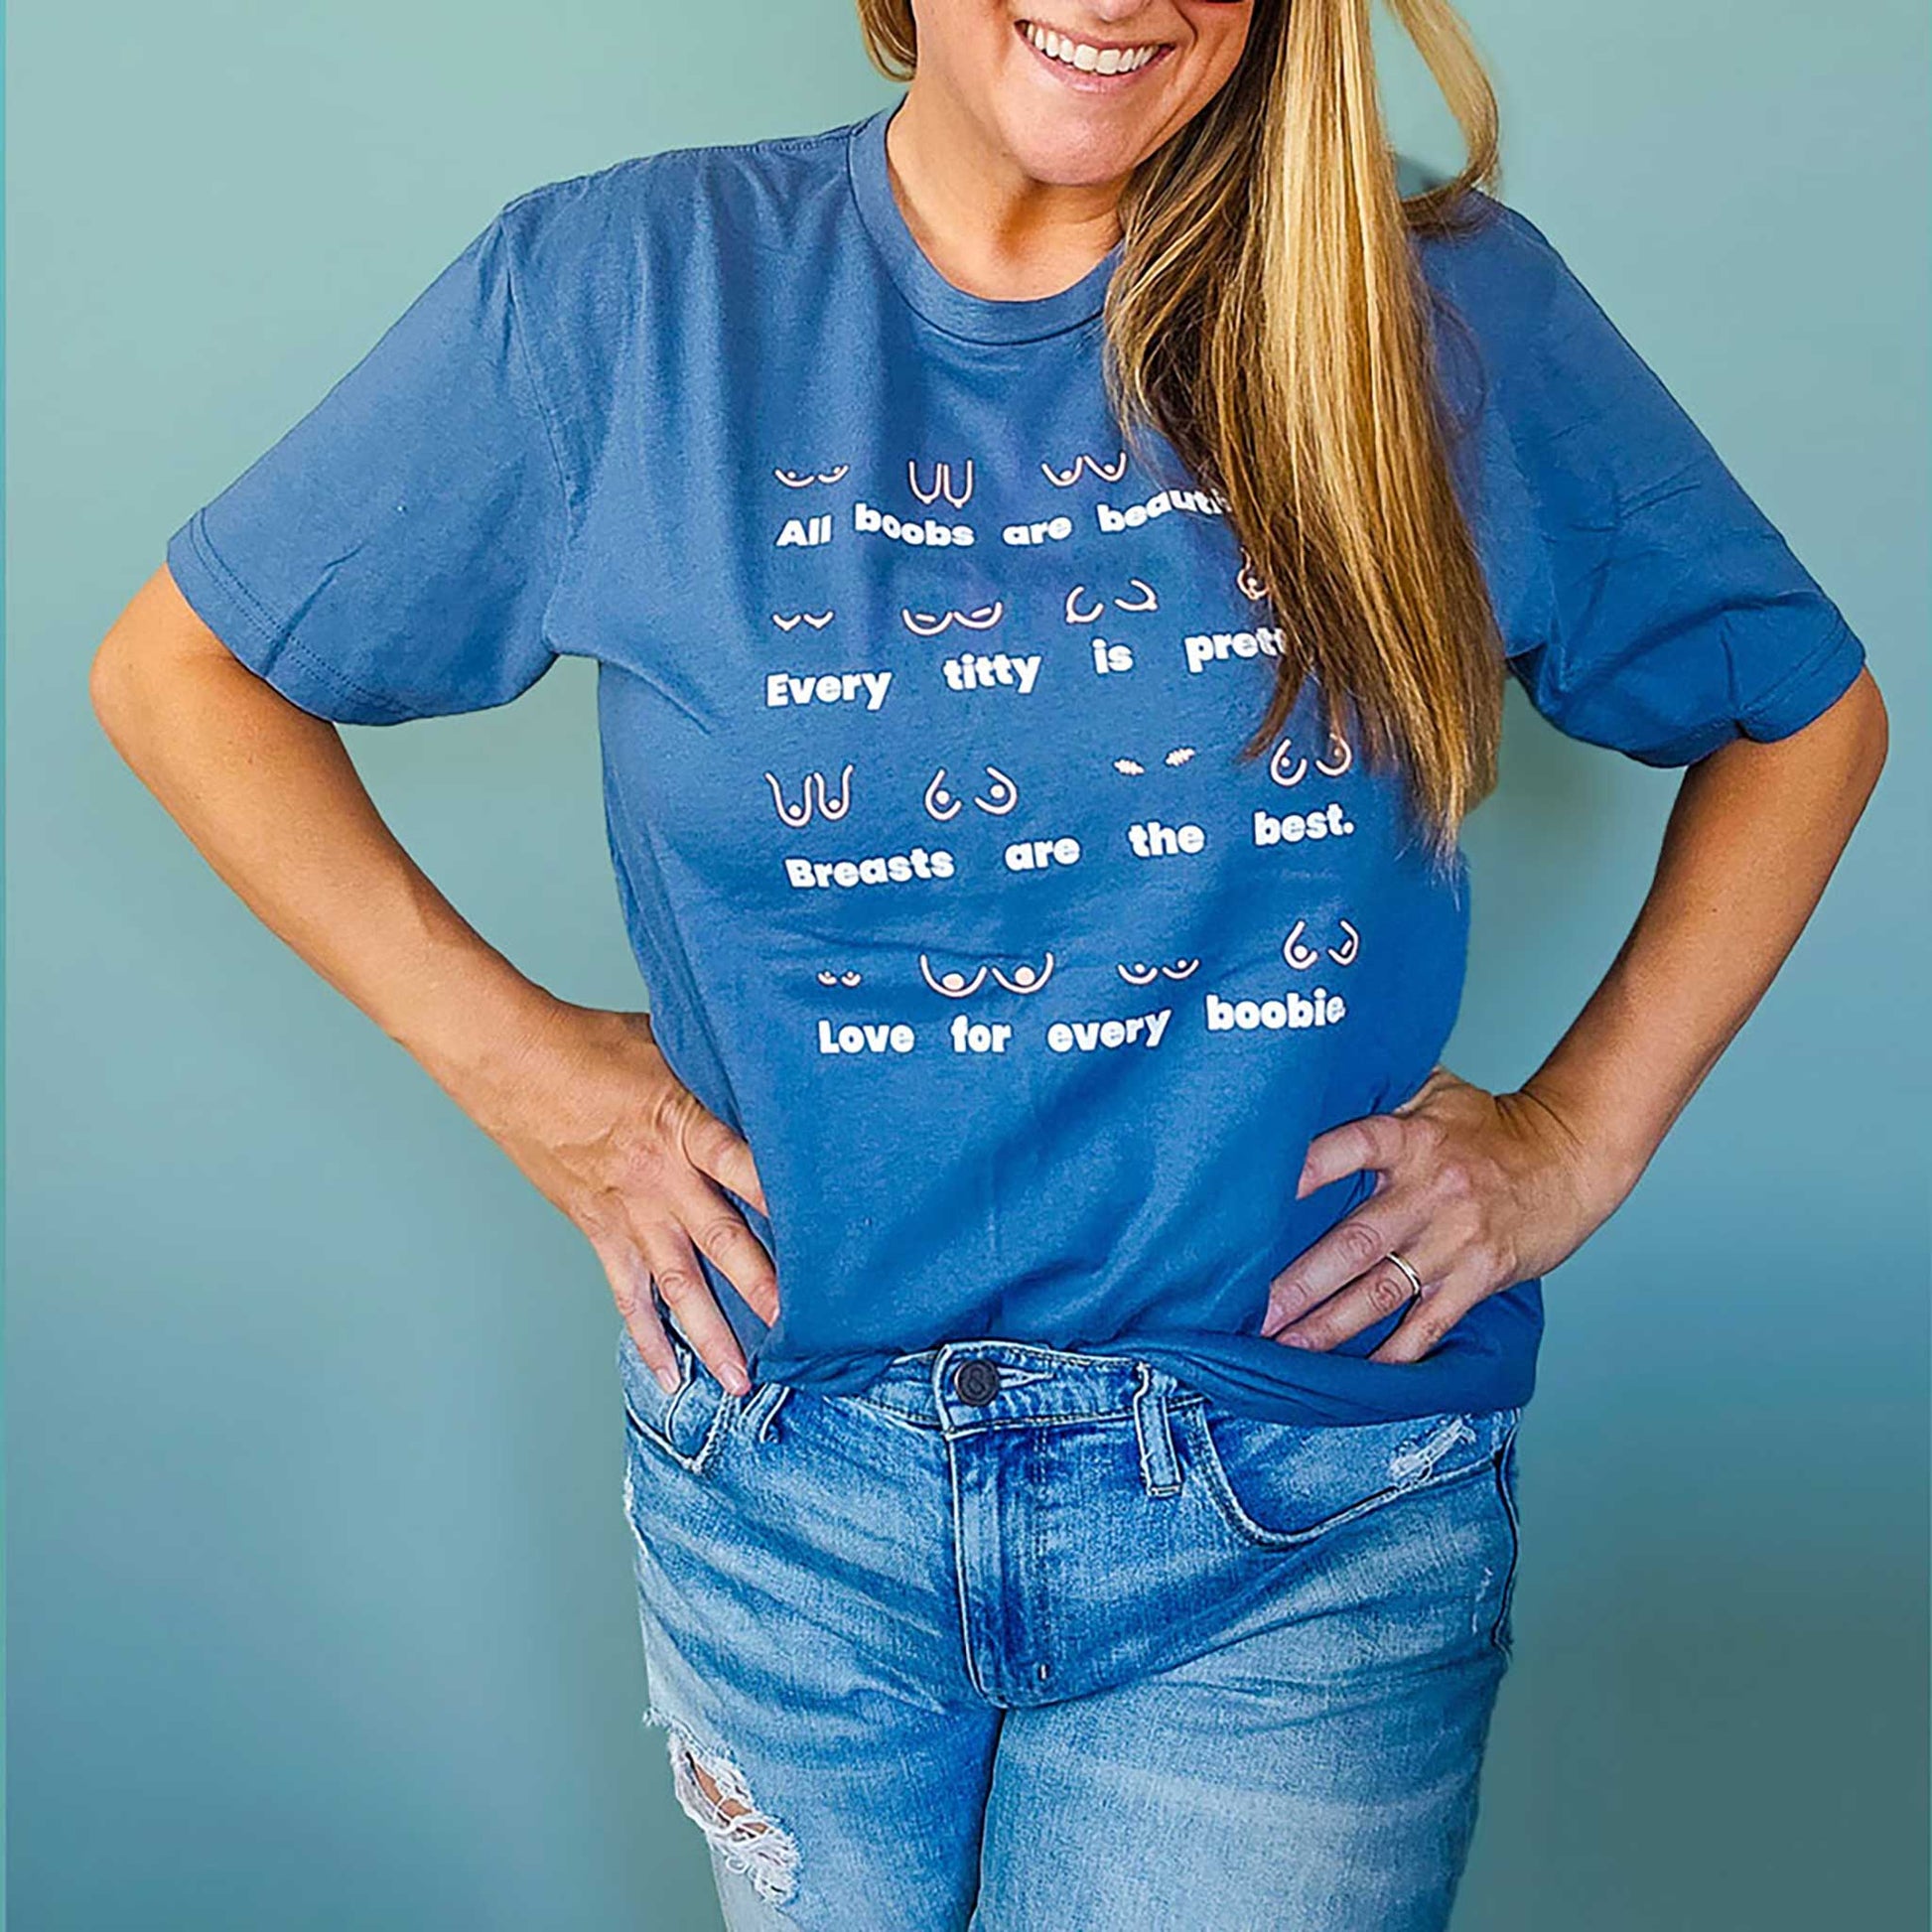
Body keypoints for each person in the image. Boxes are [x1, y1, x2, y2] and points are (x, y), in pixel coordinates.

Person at [89, 0, 1886, 1925]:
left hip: (1288, 1520)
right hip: (785, 1500)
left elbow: (1803, 714)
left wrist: (1573, 1141)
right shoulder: (627, 302)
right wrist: (523, 1068)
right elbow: (181, 673)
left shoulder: (1434, 315)